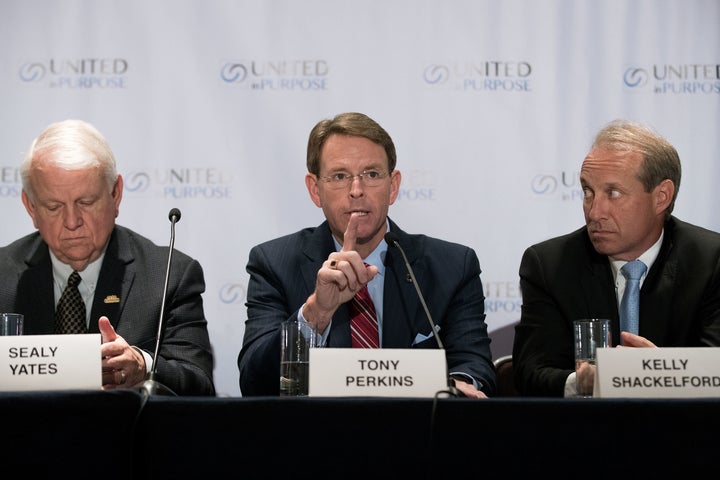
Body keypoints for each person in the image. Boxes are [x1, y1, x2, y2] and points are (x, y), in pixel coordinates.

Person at [237, 112, 495, 398]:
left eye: (371, 174)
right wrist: (316, 313)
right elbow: (255, 382)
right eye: (339, 176)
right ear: (315, 190)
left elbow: (472, 363)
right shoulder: (274, 264)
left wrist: (455, 386)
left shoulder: (452, 266)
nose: (356, 191)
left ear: (393, 185)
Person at [0, 119, 215, 395]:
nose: (72, 221)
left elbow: (199, 384)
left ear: (116, 195)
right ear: (30, 207)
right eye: (53, 206)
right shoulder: (3, 276)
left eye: (85, 202)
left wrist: (143, 366)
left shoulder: (169, 275)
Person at [512, 119, 720, 397]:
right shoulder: (549, 264)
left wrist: (659, 372)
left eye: (614, 193)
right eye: (588, 192)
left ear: (661, 197)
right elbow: (530, 373)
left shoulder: (711, 261)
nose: (595, 212)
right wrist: (582, 382)